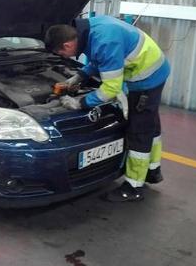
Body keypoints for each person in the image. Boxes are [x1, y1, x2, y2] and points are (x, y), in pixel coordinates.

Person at [44, 15, 170, 202]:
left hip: (146, 78)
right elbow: (98, 59)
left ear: (67, 46)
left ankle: (133, 186)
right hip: (154, 67)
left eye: (61, 54)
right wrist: (78, 77)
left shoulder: (105, 40)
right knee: (150, 123)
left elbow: (111, 89)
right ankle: (153, 170)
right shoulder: (90, 29)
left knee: (139, 130)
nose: (64, 58)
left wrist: (80, 103)